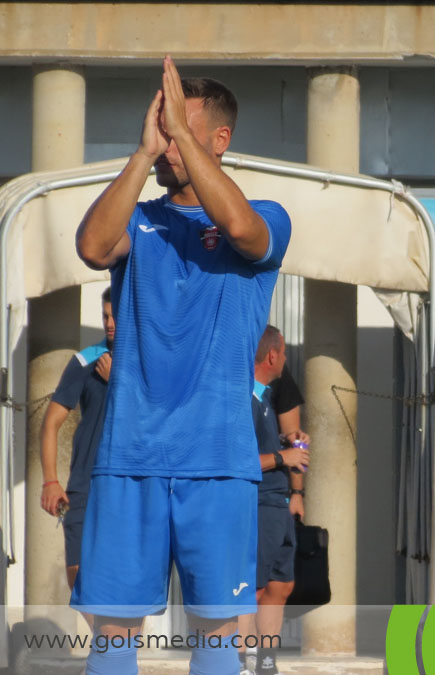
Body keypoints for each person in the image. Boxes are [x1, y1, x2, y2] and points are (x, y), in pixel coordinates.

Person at [72, 56, 291, 674]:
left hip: (219, 464)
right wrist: (143, 156)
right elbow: (91, 248)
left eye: (180, 129)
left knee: (216, 634)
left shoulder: (268, 214)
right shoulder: (140, 218)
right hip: (129, 459)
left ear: (219, 140)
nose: (168, 141)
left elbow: (243, 228)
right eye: (161, 126)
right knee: (113, 631)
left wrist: (182, 140)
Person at [39, 288, 116, 607]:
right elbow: (50, 424)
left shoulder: (148, 362)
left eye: (116, 316)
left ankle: (118, 650)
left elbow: (157, 418)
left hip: (130, 487)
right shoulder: (86, 360)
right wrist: (51, 481)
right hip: (85, 485)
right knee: (79, 578)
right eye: (105, 316)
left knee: (126, 580)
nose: (109, 323)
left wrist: (117, 383)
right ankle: (109, 644)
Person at [239, 326, 309, 675]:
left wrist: (290, 442)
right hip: (258, 503)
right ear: (271, 356)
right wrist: (284, 457)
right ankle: (238, 661)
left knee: (281, 584)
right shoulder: (244, 399)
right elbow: (237, 461)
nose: (284, 360)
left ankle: (266, 662)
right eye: (282, 353)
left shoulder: (266, 397)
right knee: (251, 587)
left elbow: (273, 448)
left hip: (278, 502)